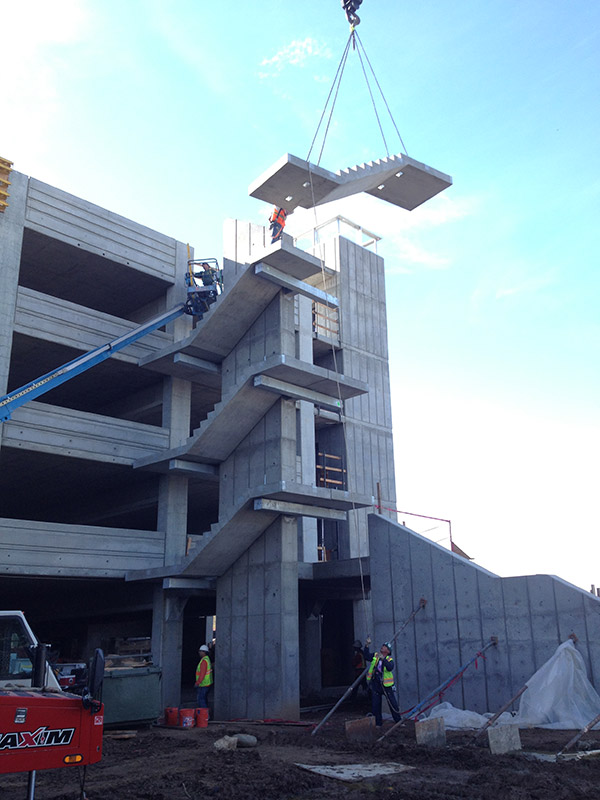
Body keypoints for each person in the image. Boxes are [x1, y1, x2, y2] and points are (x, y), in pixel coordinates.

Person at [366, 641, 401, 727]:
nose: (382, 647)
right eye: (383, 646)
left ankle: (398, 721)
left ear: (388, 651)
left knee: (393, 704)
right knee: (376, 705)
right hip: (376, 684)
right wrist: (367, 645)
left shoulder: (389, 659)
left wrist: (383, 659)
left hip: (386, 686)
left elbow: (390, 667)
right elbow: (366, 656)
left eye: (385, 647)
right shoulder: (376, 656)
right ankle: (378, 723)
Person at [194, 644, 213, 708]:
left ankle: (204, 716)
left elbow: (202, 674)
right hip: (207, 684)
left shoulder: (204, 661)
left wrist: (197, 683)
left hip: (203, 685)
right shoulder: (207, 659)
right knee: (204, 699)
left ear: (204, 652)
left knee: (201, 700)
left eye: (200, 651)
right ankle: (206, 715)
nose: (199, 652)